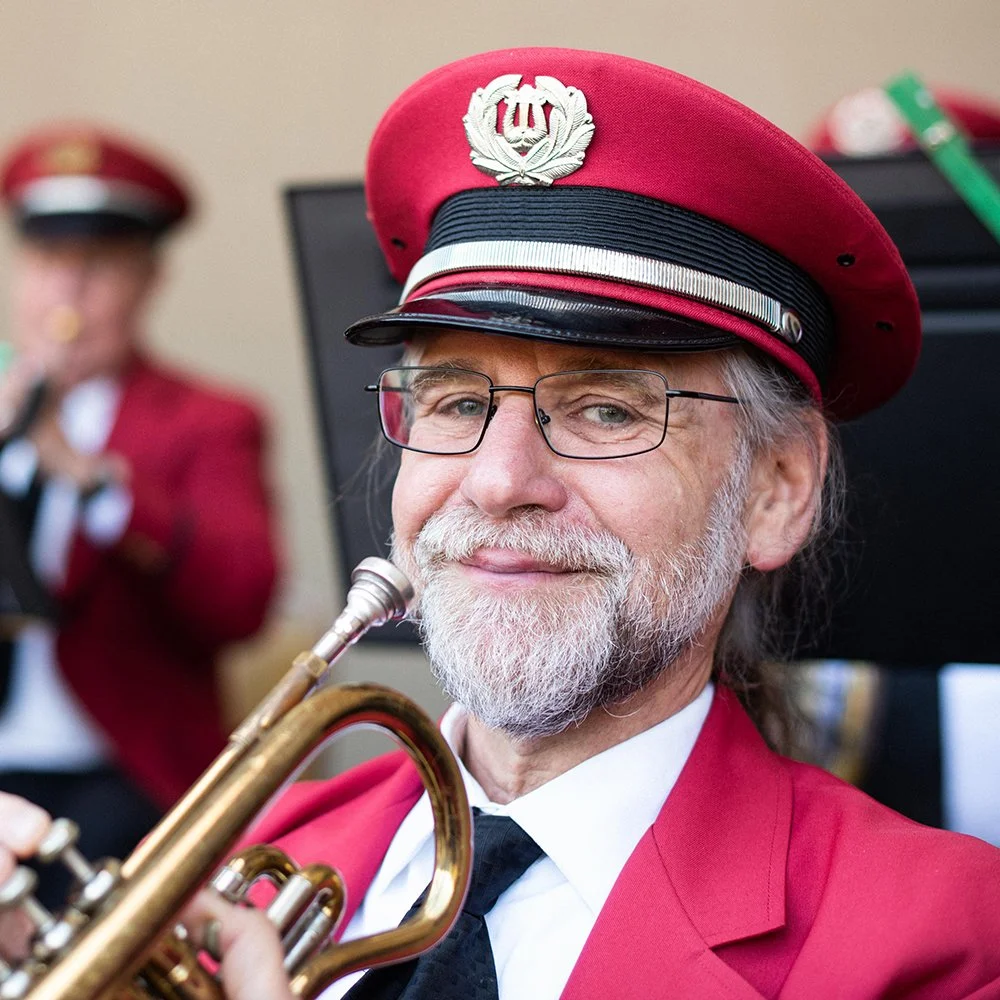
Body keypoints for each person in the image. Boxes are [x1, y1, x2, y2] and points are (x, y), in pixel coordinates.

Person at [4, 50, 1000, 999]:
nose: (496, 480)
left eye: (605, 408)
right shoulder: (239, 868)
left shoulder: (942, 940)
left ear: (778, 488)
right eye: (451, 399)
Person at [0, 125, 279, 902]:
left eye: (98, 267)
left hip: (120, 775)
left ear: (148, 280)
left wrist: (95, 485)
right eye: (48, 262)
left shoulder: (207, 421)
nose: (68, 291)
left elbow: (241, 603)